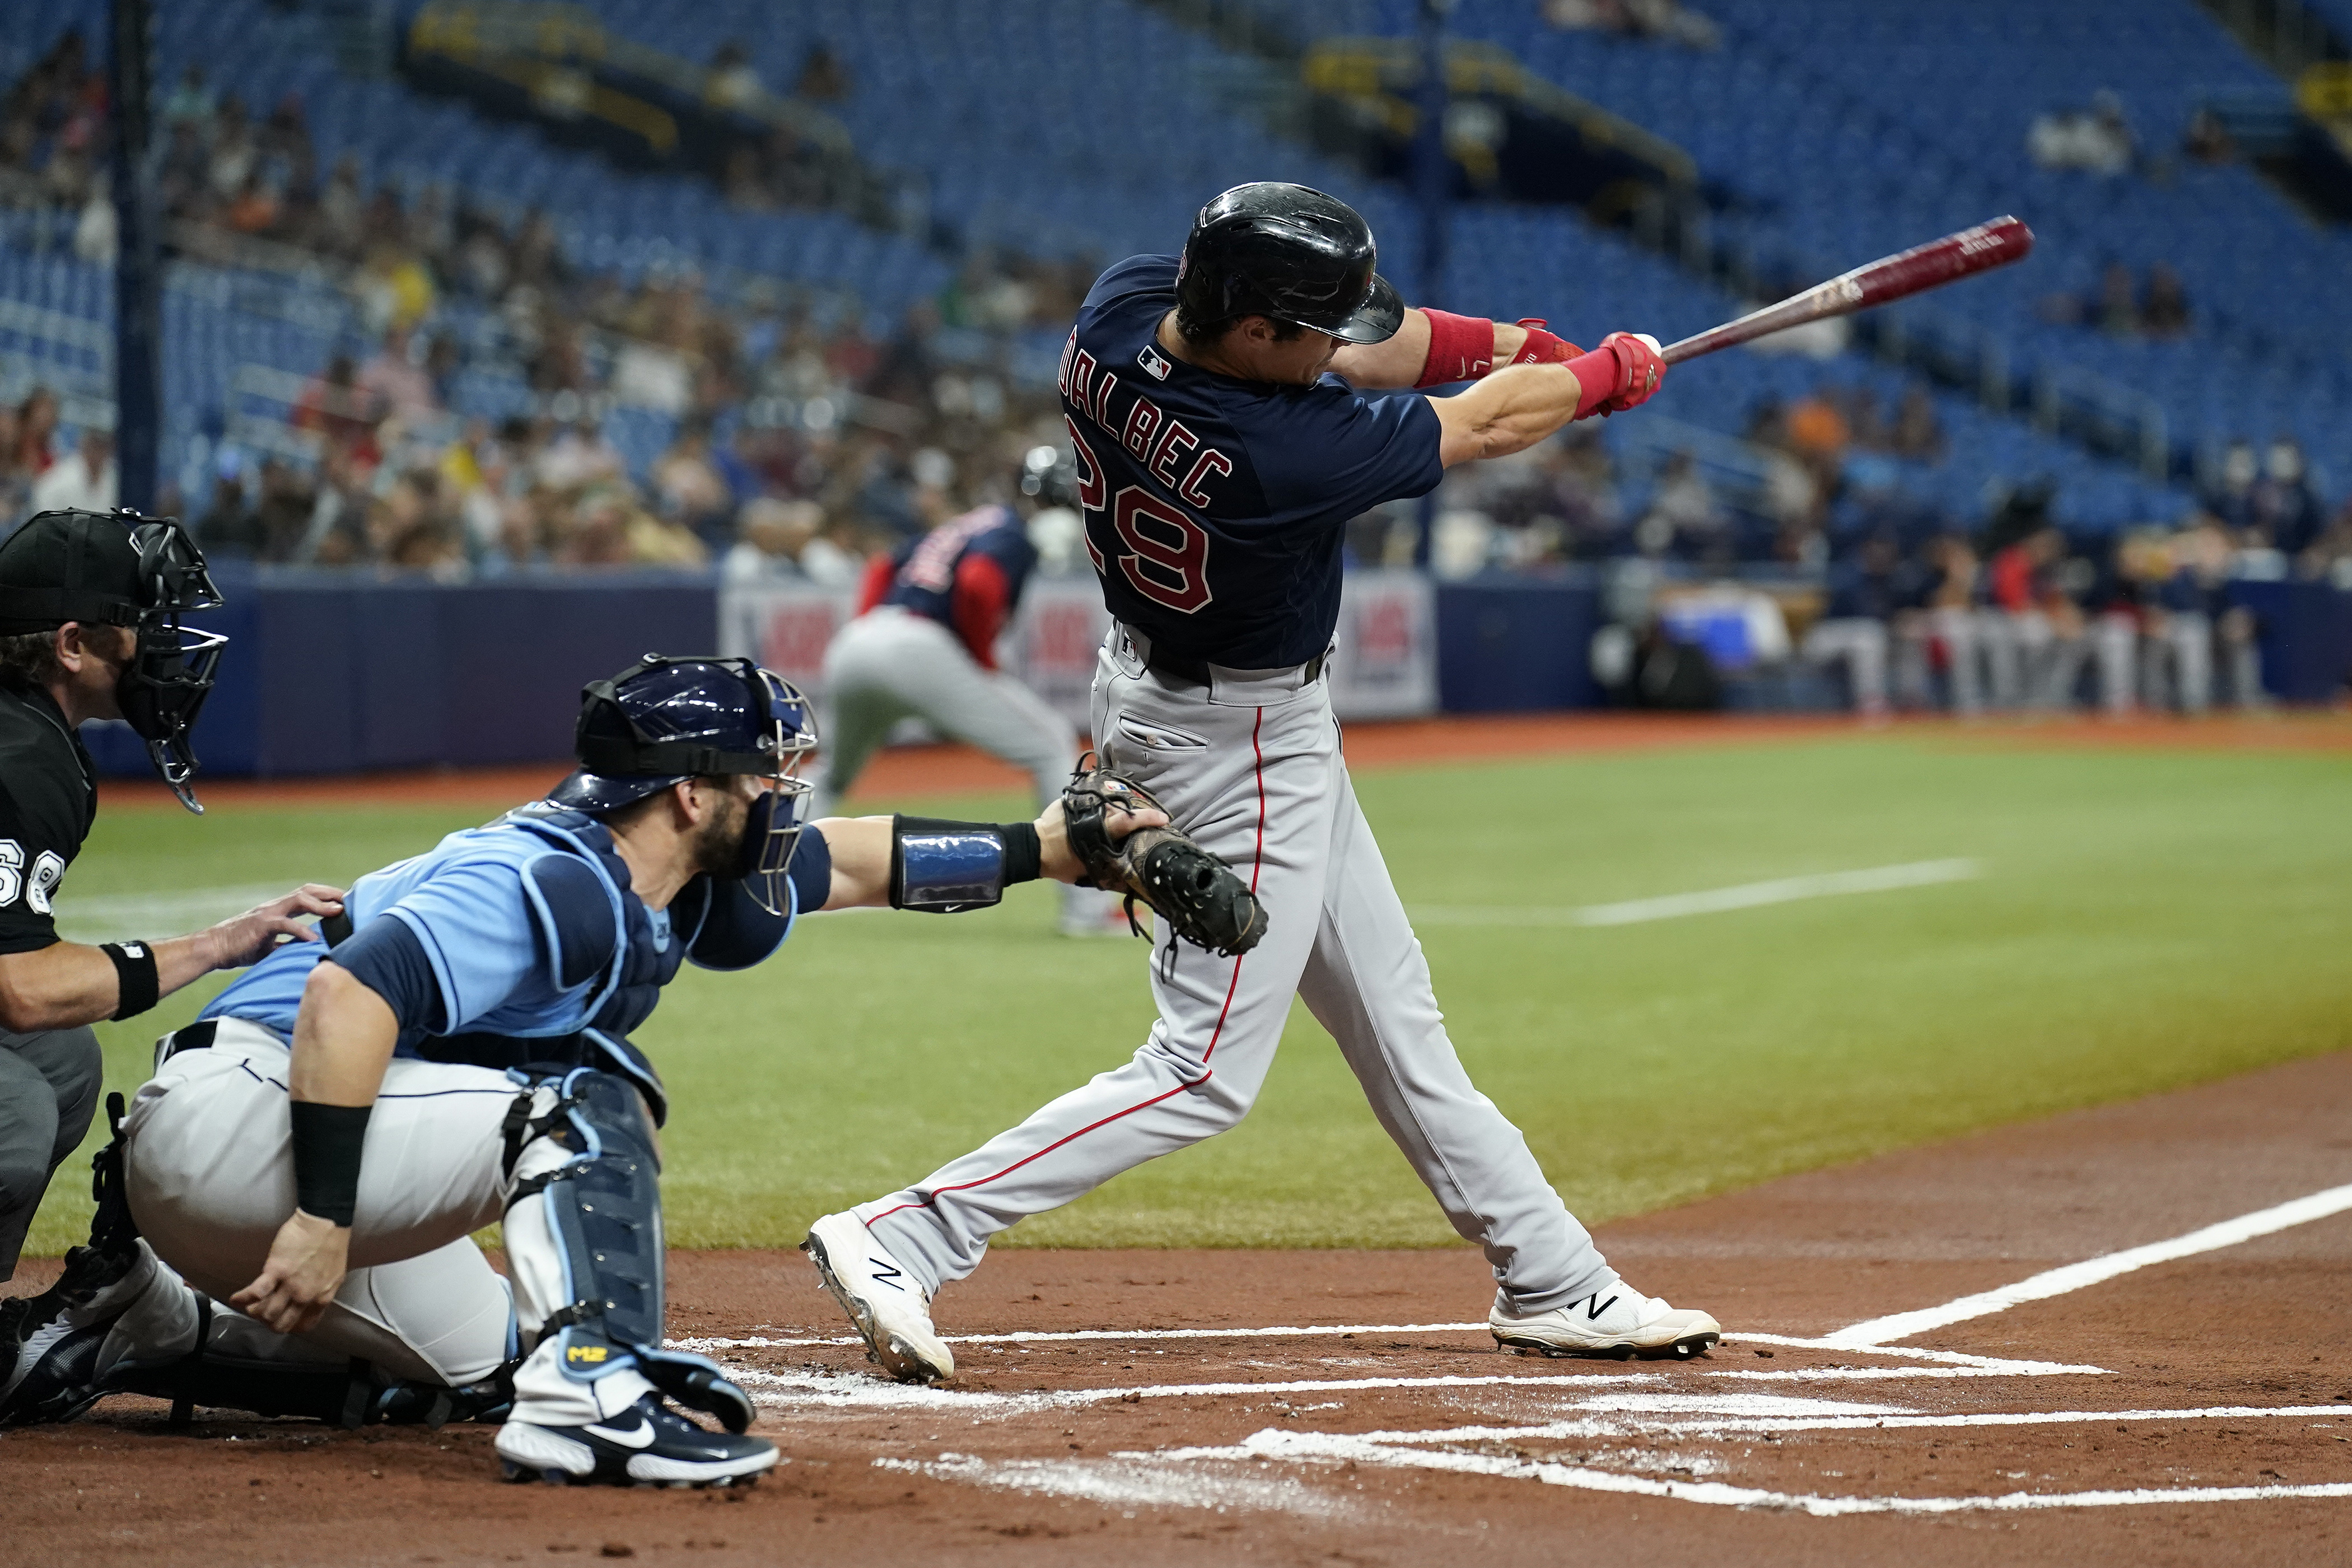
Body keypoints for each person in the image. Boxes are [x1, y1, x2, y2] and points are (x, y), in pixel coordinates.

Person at [801, 181, 1718, 1385]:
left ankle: (1553, 1275)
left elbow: (1395, 346)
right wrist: (1604, 375)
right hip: (1238, 739)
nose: (1336, 348)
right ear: (1252, 329)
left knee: (1396, 1016)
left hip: (1165, 688)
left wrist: (1519, 344)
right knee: (1202, 1069)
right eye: (1311, 333)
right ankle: (909, 1229)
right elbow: (1483, 428)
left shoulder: (1120, 310)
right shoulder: (1276, 450)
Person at [0, 654, 1164, 1487]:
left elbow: (850, 863)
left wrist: (1041, 850)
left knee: (483, 1364)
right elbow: (344, 994)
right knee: (582, 1097)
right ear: (691, 792)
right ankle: (594, 1394)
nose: (783, 793)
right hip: (247, 1121)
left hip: (239, 1162)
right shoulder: (547, 875)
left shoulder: (656, 869)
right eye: (764, 774)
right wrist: (321, 1213)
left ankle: (139, 1321)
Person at [0, 508, 336, 1293]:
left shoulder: (31, 736)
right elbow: (17, 987)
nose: (160, 646)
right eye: (140, 624)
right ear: (71, 644)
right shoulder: (20, 756)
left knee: (62, 1061)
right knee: (14, 1112)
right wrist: (219, 944)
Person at [808, 446, 1121, 936]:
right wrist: (981, 658)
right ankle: (1086, 913)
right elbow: (978, 584)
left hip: (861, 640)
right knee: (1051, 744)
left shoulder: (968, 522)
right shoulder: (1012, 534)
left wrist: (876, 628)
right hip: (922, 649)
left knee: (831, 775)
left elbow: (880, 571)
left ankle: (762, 871)